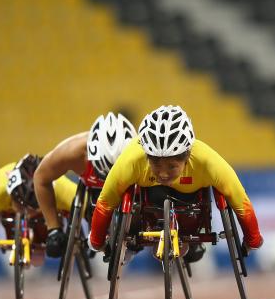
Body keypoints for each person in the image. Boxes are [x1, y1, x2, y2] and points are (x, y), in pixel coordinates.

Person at [87, 105, 264, 259]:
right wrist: (97, 241)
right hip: (149, 204)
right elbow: (105, 203)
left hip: (191, 205)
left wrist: (253, 239)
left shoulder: (208, 161)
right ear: (146, 155)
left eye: (172, 166)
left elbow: (241, 202)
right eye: (155, 163)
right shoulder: (132, 159)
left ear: (187, 156)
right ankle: (136, 243)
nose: (163, 174)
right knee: (128, 198)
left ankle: (193, 244)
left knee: (192, 251)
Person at [34, 112, 136, 258]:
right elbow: (40, 178)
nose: (110, 181)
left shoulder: (143, 154)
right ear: (90, 155)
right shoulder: (72, 152)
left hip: (129, 193)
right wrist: (53, 228)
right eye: (105, 174)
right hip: (92, 194)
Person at [0, 154, 77, 262]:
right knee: (9, 218)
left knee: (46, 229)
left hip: (46, 210)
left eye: (32, 207)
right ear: (12, 194)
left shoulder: (61, 189)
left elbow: (90, 208)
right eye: (23, 206)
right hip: (9, 209)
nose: (28, 213)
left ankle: (42, 229)